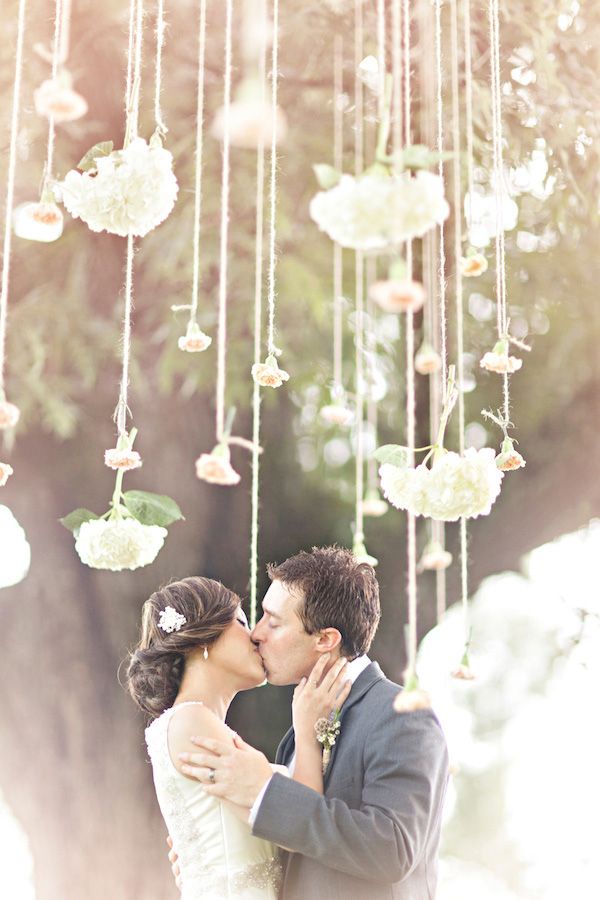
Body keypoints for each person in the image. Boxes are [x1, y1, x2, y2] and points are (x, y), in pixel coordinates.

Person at [175, 547, 449, 900]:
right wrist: (216, 853)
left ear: (325, 639)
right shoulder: (297, 734)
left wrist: (262, 791)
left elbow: (392, 849)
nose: (256, 634)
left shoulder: (400, 714)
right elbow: (304, 850)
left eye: (274, 623)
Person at [126, 575, 351, 900]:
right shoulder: (192, 722)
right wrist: (307, 732)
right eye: (242, 621)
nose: (256, 636)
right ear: (203, 638)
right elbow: (296, 824)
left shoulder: (193, 723)